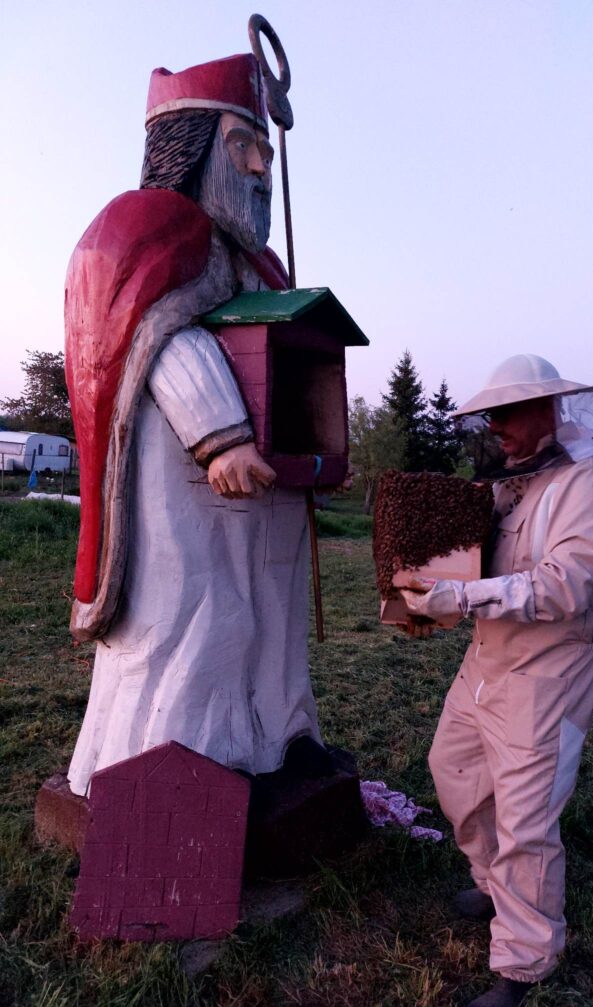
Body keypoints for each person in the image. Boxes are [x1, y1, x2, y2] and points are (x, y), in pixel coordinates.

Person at [65, 50, 326, 797]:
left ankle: (271, 743)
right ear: (194, 147)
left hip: (260, 495)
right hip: (187, 486)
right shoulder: (148, 228)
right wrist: (221, 434)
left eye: (266, 150)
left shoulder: (258, 264)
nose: (262, 169)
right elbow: (158, 336)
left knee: (270, 617)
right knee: (197, 617)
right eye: (243, 146)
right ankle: (170, 769)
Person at [400, 354, 593, 1007]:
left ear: (548, 410)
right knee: (455, 773)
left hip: (551, 672)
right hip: (488, 658)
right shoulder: (518, 482)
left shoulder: (589, 483)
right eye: (491, 415)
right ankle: (491, 883)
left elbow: (566, 585)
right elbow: (484, 568)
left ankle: (523, 964)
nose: (496, 427)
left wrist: (458, 596)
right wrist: (432, 602)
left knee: (526, 821)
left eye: (507, 413)